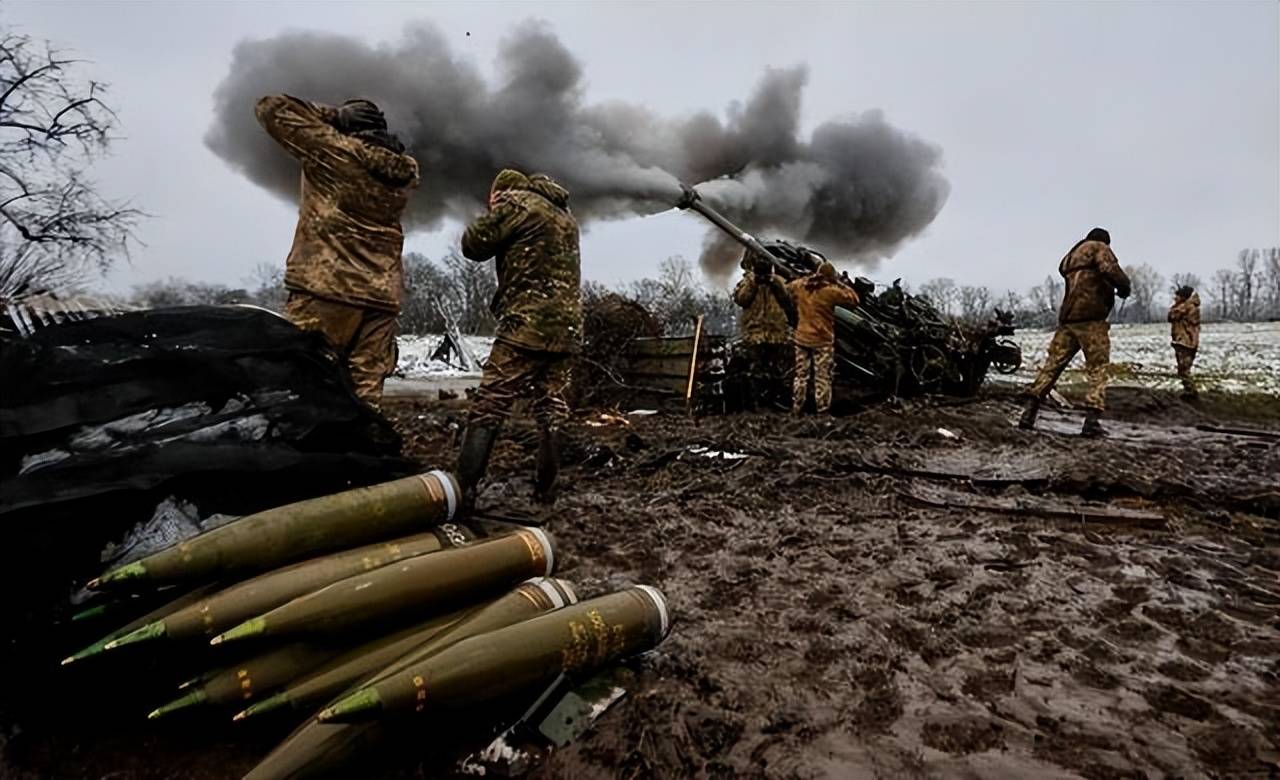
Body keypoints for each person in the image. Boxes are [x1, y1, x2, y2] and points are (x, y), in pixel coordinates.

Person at [255, 95, 420, 407]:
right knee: (366, 394)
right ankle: (363, 452)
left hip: (328, 288)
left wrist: (331, 115)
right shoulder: (402, 175)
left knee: (304, 383)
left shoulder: (334, 151)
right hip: (382, 296)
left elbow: (271, 107)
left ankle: (308, 454)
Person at [455, 169, 582, 516]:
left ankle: (462, 489)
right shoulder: (565, 216)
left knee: (490, 403)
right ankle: (546, 488)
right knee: (551, 409)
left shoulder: (518, 204)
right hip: (567, 329)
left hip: (526, 324)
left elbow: (472, 245)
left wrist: (499, 206)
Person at [1019, 227, 1131, 436]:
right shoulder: (1099, 248)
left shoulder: (1071, 257)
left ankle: (1028, 415)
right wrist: (1125, 287)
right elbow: (1110, 270)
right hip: (1092, 319)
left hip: (1068, 319)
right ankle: (1091, 422)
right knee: (1098, 370)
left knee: (1051, 367)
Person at [786, 262, 859, 415]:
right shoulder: (830, 292)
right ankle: (823, 411)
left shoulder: (801, 286)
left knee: (800, 376)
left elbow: (787, 289)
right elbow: (854, 300)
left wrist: (807, 278)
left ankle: (796, 409)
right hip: (822, 341)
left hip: (802, 338)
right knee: (822, 377)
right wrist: (842, 284)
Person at [731, 250, 795, 410]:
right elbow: (741, 299)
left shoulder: (780, 281)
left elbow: (788, 301)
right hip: (755, 334)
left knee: (776, 373)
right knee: (755, 372)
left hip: (776, 334)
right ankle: (757, 405)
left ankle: (774, 403)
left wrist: (774, 283)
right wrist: (753, 283)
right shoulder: (747, 282)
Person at [1168, 285, 1201, 399]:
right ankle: (1189, 390)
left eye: (1176, 296)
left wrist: (1177, 306)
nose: (1174, 299)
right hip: (1183, 340)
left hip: (1186, 342)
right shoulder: (1187, 307)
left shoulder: (1187, 308)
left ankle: (1191, 392)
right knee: (1183, 369)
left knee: (1184, 369)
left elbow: (1172, 315)